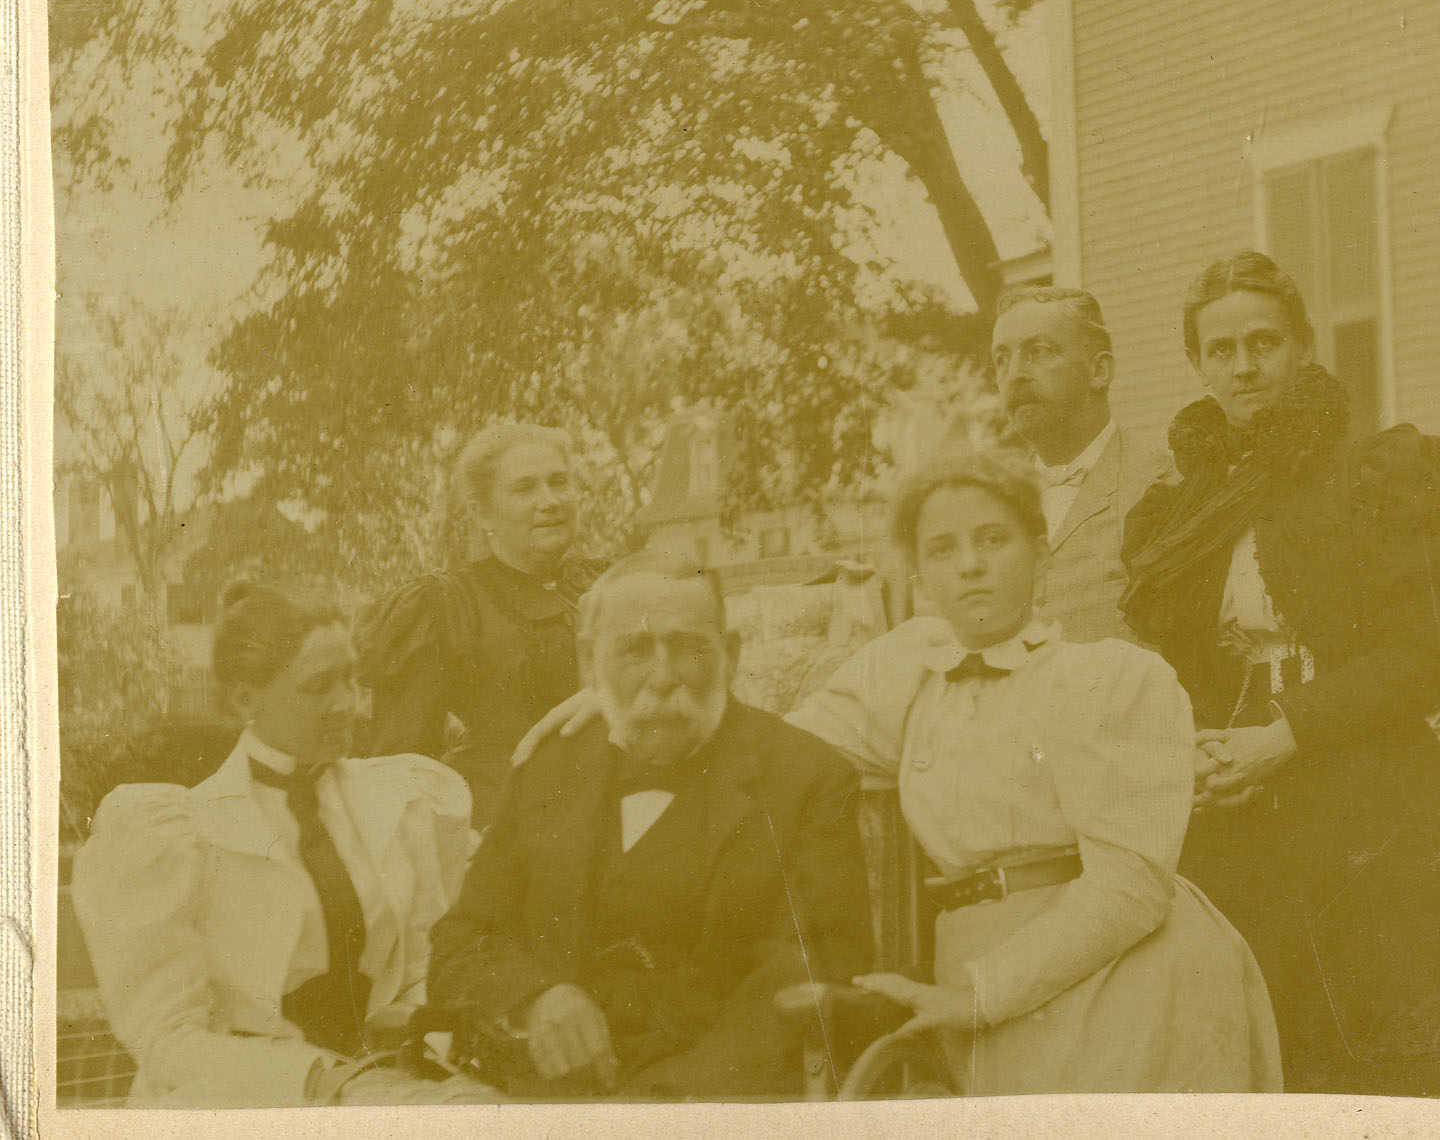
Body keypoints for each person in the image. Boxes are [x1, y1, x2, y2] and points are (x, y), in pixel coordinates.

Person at [1120, 251, 1440, 1099]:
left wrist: (1282, 737)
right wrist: (1202, 748)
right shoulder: (1188, 503)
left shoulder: (1376, 473)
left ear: (1304, 347)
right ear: (1197, 365)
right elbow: (1177, 662)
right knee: (1250, 1043)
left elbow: (1424, 663)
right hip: (1232, 802)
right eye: (1220, 350)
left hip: (1370, 798)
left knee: (1398, 1052)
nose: (1244, 367)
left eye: (1264, 342)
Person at [786, 453, 1282, 1096]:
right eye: (942, 549)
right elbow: (780, 748)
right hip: (972, 966)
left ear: (1041, 555)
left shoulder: (1105, 677)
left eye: (993, 539)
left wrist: (981, 995)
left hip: (1123, 977)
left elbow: (1131, 885)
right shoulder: (911, 673)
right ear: (920, 577)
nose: (969, 564)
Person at [426, 552, 875, 1100]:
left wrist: (661, 1108)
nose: (663, 677)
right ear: (589, 661)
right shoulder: (548, 770)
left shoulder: (807, 779)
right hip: (539, 1097)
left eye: (689, 649)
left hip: (705, 1102)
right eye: (634, 649)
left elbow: (811, 977)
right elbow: (462, 939)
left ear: (730, 656)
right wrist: (536, 998)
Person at [71, 582, 492, 1107]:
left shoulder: (400, 800)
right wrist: (324, 1081)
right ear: (245, 699)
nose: (349, 704)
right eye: (318, 687)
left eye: (351, 679)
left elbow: (431, 964)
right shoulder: (177, 837)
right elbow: (168, 1039)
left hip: (382, 1083)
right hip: (241, 1096)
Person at [356, 422, 606, 825]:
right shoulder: (444, 604)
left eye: (559, 482)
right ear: (482, 512)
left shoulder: (610, 582)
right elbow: (402, 769)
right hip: (507, 818)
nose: (550, 501)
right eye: (524, 489)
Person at [989, 285, 1166, 643]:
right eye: (1002, 360)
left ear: (1099, 371)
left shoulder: (1161, 479)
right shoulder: (994, 502)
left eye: (1038, 352)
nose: (1015, 374)